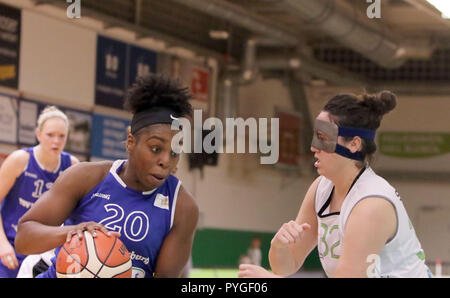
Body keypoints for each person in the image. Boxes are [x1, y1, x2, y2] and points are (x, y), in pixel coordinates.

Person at [15, 74, 199, 278]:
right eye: (156, 148)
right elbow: (24, 238)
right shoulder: (86, 176)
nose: (166, 161)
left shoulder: (182, 207)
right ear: (130, 141)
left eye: (175, 152)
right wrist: (73, 232)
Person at [238, 91, 432, 278]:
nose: (313, 147)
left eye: (323, 138)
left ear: (354, 144)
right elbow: (285, 266)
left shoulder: (371, 204)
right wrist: (279, 246)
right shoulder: (321, 188)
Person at [0, 106, 79, 278]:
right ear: (38, 134)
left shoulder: (72, 166)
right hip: (11, 247)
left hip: (45, 253)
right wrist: (2, 244)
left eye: (61, 136)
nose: (56, 141)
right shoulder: (20, 160)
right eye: (50, 135)